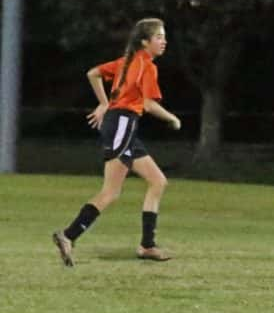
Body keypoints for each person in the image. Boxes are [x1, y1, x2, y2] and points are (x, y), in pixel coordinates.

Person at [52, 18, 181, 267]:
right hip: (123, 124)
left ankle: (147, 246)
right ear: (145, 42)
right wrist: (172, 118)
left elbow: (93, 73)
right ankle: (68, 235)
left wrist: (105, 103)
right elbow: (147, 104)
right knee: (110, 192)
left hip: (121, 124)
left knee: (157, 181)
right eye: (159, 37)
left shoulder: (126, 62)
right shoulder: (146, 65)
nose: (164, 41)